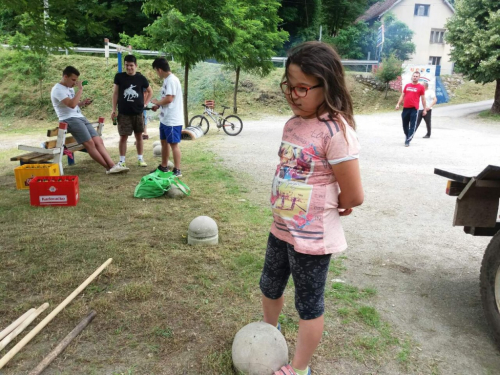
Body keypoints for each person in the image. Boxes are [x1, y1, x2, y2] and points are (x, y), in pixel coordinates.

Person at [260, 41, 364, 375]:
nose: (293, 94)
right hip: (282, 228)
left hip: (313, 238)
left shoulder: (336, 130)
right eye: (288, 86)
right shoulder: (292, 124)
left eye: (302, 88)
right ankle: (268, 334)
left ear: (327, 85)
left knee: (308, 304)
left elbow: (354, 195)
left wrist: (340, 204)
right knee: (269, 285)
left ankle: (299, 367)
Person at [51, 66, 129, 174]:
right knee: (90, 143)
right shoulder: (57, 89)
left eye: (76, 80)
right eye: (73, 80)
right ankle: (109, 167)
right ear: (65, 77)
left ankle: (113, 166)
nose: (75, 83)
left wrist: (82, 103)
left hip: (80, 117)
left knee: (98, 141)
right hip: (69, 119)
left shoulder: (70, 88)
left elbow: (73, 104)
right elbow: (71, 104)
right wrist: (81, 90)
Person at [111, 55, 153, 168]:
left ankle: (140, 158)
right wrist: (113, 109)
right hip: (124, 113)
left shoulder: (141, 78)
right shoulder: (119, 77)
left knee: (139, 136)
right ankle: (122, 161)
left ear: (136, 66)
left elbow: (150, 91)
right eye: (127, 65)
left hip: (138, 112)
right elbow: (115, 94)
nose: (129, 68)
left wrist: (145, 103)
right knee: (123, 136)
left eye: (131, 65)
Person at [150, 58, 184, 177]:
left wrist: (157, 102)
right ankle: (164, 166)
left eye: (156, 71)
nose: (156, 73)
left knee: (174, 144)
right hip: (165, 118)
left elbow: (169, 99)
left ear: (159, 69)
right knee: (164, 142)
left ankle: (177, 170)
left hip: (172, 120)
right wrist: (157, 105)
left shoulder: (172, 80)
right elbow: (167, 99)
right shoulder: (167, 80)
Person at [395, 71, 427, 147]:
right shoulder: (407, 85)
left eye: (416, 76)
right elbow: (402, 96)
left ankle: (408, 140)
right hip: (405, 108)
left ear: (419, 78)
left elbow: (423, 99)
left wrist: (425, 109)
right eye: (414, 76)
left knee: (412, 125)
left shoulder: (421, 87)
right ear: (412, 76)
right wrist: (398, 104)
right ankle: (407, 135)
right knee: (404, 125)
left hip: (414, 109)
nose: (415, 77)